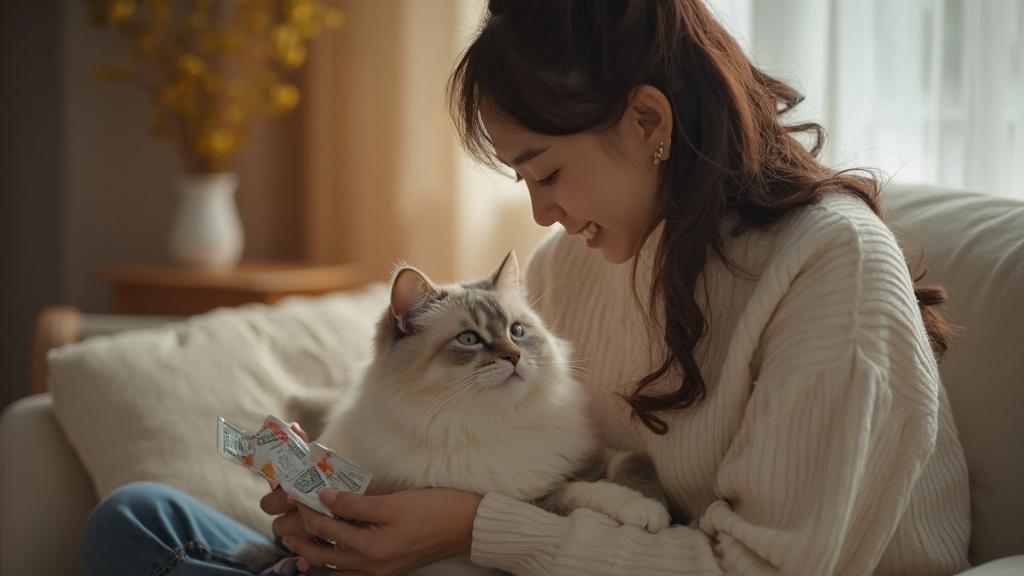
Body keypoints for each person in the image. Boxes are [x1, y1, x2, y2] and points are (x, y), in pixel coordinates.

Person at [79, 1, 972, 574]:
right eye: (523, 182)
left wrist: (468, 528)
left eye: (546, 171)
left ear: (648, 121)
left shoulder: (831, 270)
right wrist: (344, 505)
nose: (542, 214)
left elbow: (755, 572)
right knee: (137, 518)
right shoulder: (578, 265)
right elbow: (534, 455)